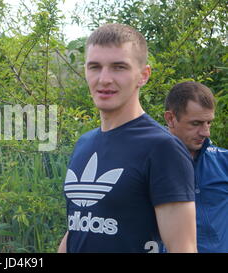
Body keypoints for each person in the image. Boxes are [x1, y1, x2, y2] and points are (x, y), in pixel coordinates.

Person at [58, 23, 197, 253]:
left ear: (143, 75)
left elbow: (183, 247)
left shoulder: (162, 148)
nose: (104, 79)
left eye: (118, 67)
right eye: (94, 67)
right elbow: (78, 227)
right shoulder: (84, 143)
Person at [164, 81, 228, 253]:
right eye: (196, 123)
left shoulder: (224, 162)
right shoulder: (149, 164)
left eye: (209, 123)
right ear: (170, 118)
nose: (206, 132)